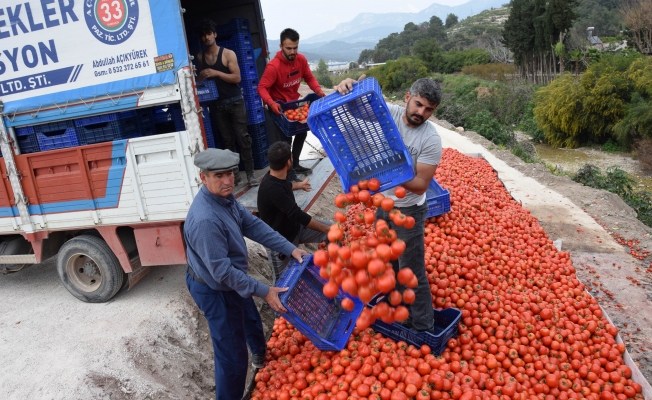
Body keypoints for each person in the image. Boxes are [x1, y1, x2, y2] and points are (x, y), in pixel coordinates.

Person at [184, 148, 308, 399]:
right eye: (219, 175)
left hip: (228, 278)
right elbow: (222, 273)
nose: (228, 180)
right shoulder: (206, 219)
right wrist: (264, 291)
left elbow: (252, 225)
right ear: (202, 177)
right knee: (232, 359)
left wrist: (290, 248)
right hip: (215, 289)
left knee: (250, 316)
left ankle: (261, 354)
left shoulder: (225, 199)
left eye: (230, 173)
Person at [334, 76, 443, 334]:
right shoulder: (388, 114)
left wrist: (389, 172)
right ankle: (403, 315)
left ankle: (424, 327)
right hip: (384, 205)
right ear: (407, 97)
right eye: (418, 104)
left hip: (409, 210)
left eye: (428, 109)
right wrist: (349, 86)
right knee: (392, 264)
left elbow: (420, 185)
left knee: (412, 270)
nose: (421, 113)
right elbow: (354, 106)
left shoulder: (431, 139)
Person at [195, 19, 258, 187]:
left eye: (209, 33)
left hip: (236, 101)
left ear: (215, 34)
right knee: (227, 143)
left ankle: (251, 175)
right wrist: (201, 76)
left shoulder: (228, 53)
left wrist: (216, 72)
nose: (207, 37)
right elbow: (199, 81)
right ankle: (235, 176)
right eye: (203, 35)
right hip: (218, 105)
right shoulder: (200, 57)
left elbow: (237, 78)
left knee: (243, 139)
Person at [257, 28, 325, 182]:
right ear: (281, 46)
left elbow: (309, 77)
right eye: (289, 48)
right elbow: (261, 88)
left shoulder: (301, 60)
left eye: (295, 48)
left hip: (295, 104)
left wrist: (319, 91)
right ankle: (288, 173)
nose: (292, 52)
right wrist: (271, 103)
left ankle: (296, 164)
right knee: (284, 141)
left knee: (302, 132)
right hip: (279, 108)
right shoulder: (273, 67)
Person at [257, 141, 332, 278]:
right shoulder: (271, 189)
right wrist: (326, 229)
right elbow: (298, 215)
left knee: (332, 231)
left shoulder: (274, 176)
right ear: (288, 163)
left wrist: (300, 185)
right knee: (282, 282)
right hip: (280, 242)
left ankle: (333, 268)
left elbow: (285, 185)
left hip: (296, 229)